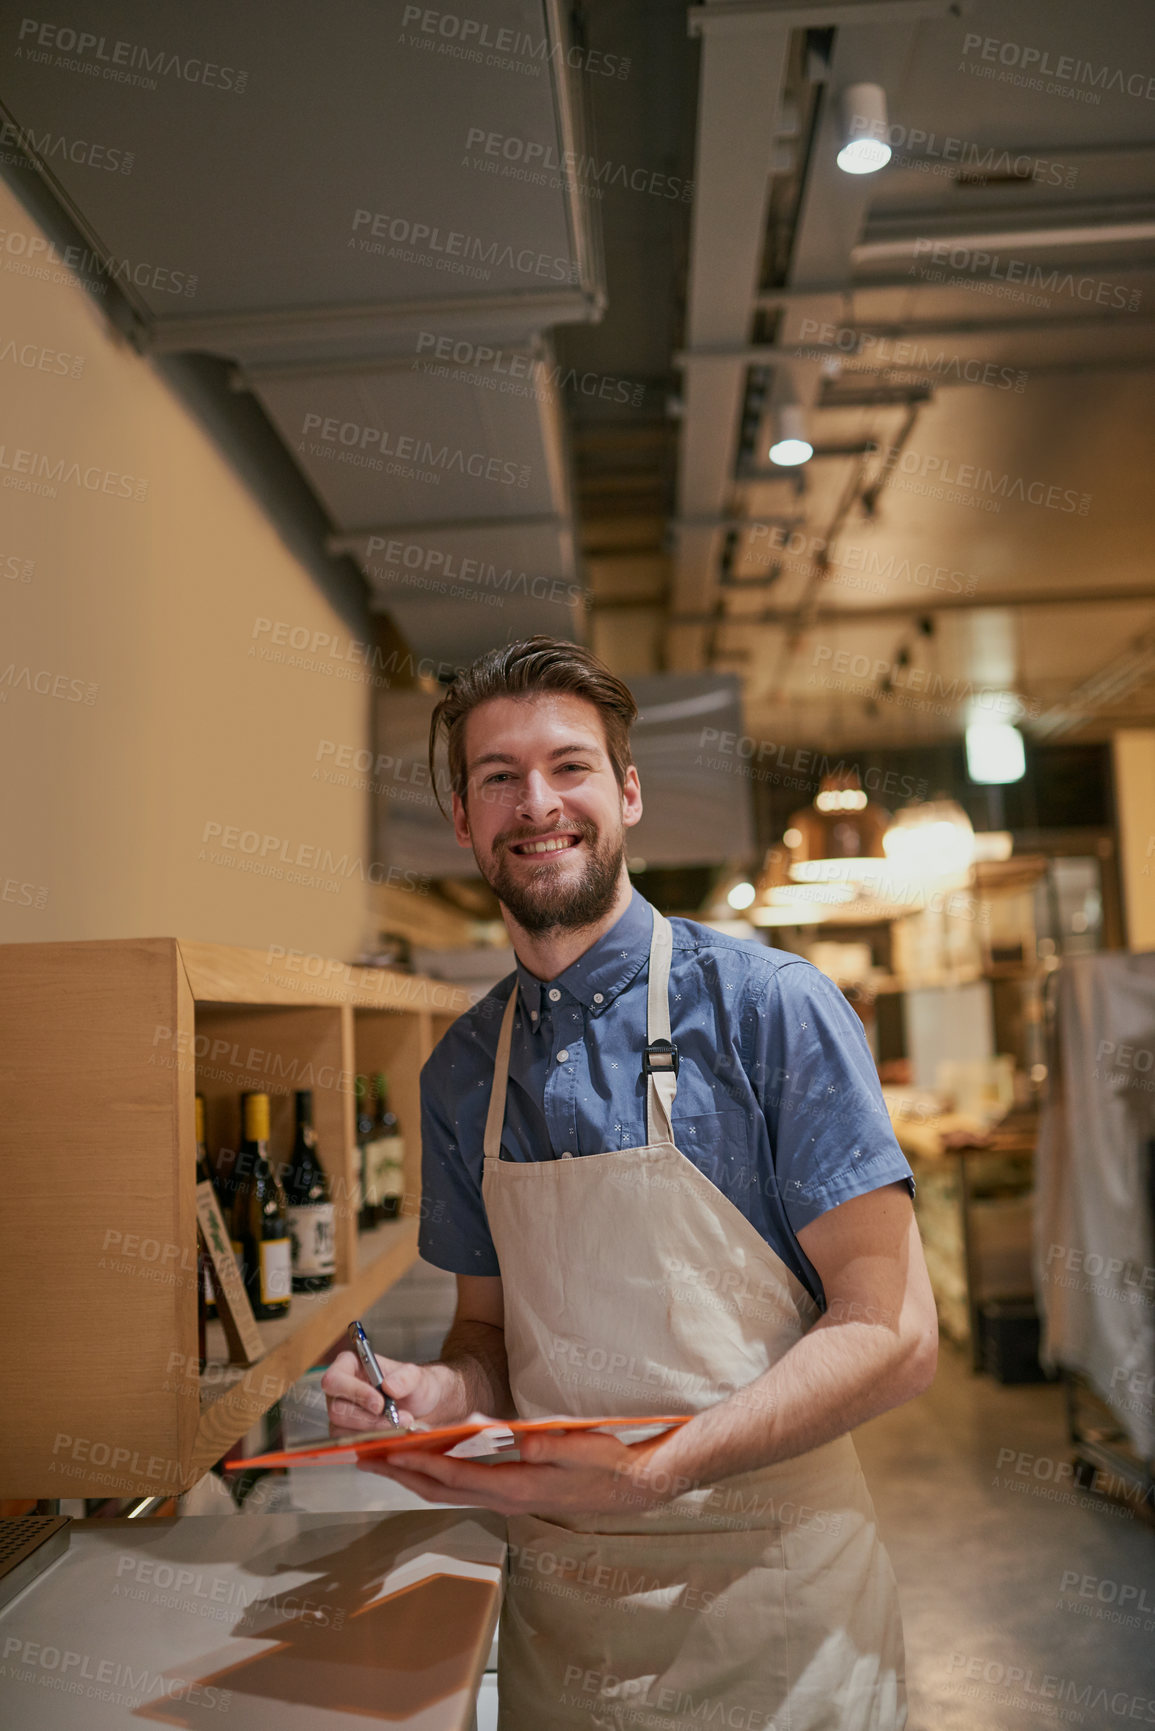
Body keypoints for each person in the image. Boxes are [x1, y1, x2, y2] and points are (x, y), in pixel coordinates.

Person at [322, 635, 938, 1730]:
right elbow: (491, 1344)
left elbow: (893, 1334)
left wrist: (658, 1470)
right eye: (497, 777)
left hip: (780, 1617)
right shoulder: (464, 1070)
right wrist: (432, 1397)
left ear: (628, 792)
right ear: (463, 821)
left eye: (570, 767)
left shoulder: (769, 1010)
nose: (536, 803)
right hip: (569, 1628)